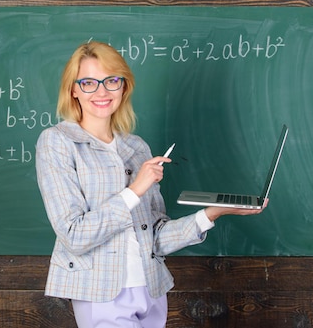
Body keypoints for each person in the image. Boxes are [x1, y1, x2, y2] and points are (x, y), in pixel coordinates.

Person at [35, 41, 267, 328]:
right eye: (88, 83)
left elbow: (155, 238)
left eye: (111, 80)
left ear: (124, 86)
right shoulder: (57, 142)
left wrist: (211, 214)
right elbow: (74, 234)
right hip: (99, 291)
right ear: (73, 90)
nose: (102, 91)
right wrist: (134, 190)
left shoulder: (137, 148)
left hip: (150, 288)